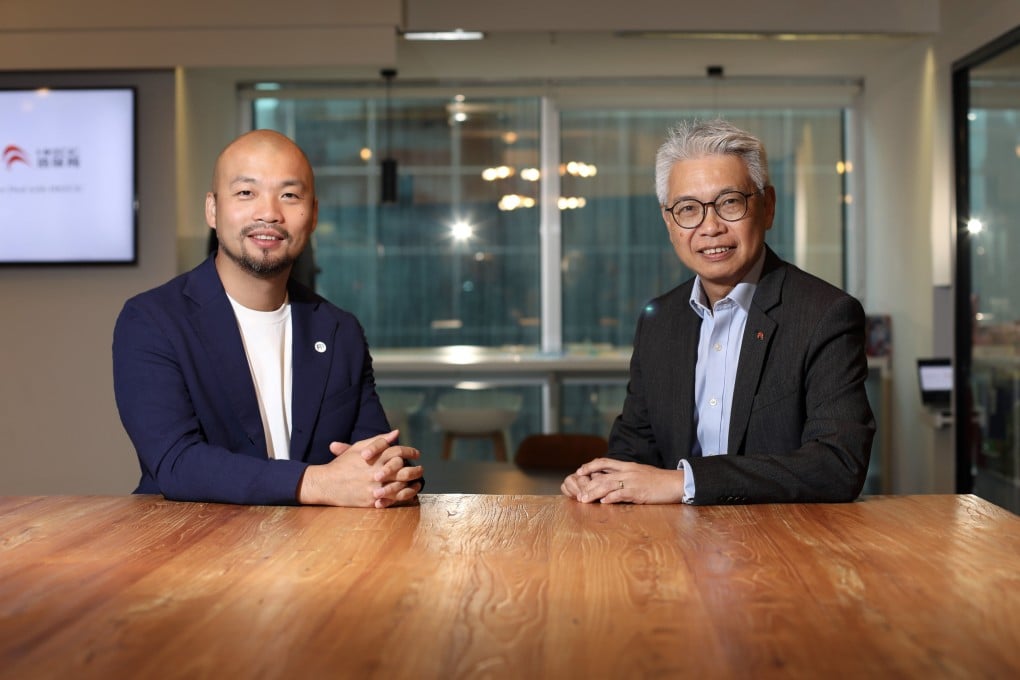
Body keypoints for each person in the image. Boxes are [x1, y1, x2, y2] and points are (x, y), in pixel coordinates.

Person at [562, 119, 875, 505]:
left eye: (730, 203)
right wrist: (602, 478)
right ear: (669, 222)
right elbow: (635, 448)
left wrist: (684, 483)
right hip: (672, 551)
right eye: (688, 209)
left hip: (783, 550)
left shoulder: (825, 314)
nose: (710, 228)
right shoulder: (659, 319)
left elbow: (837, 465)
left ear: (768, 207)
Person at [113, 129, 423, 507]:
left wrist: (390, 475)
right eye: (246, 193)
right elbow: (177, 462)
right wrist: (318, 483)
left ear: (312, 216)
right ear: (212, 209)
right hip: (192, 549)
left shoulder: (340, 331)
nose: (269, 213)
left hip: (320, 553)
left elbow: (373, 455)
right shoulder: (153, 321)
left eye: (290, 195)